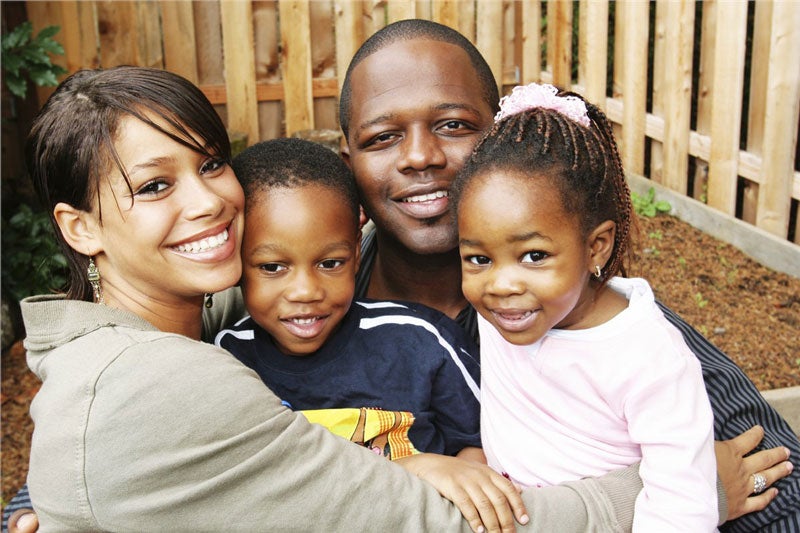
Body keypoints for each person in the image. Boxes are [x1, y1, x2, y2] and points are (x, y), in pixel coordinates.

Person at [6, 64, 653, 533]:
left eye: (208, 164)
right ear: (79, 227)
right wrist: (667, 486)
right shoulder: (170, 376)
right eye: (152, 187)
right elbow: (434, 521)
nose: (206, 201)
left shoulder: (219, 312)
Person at [337, 18, 799, 532]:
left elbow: (770, 477)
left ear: (501, 140)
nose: (421, 156)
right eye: (382, 136)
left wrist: (698, 492)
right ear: (348, 160)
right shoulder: (298, 301)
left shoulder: (601, 325)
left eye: (454, 125)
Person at [452, 82, 719, 530]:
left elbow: (682, 508)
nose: (500, 284)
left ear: (596, 247)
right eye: (478, 258)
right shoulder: (507, 313)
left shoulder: (649, 357)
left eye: (534, 256)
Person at [217, 138, 485, 464]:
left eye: (330, 263)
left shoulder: (422, 340)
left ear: (356, 254)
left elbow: (482, 444)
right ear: (236, 262)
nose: (306, 291)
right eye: (272, 267)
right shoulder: (226, 361)